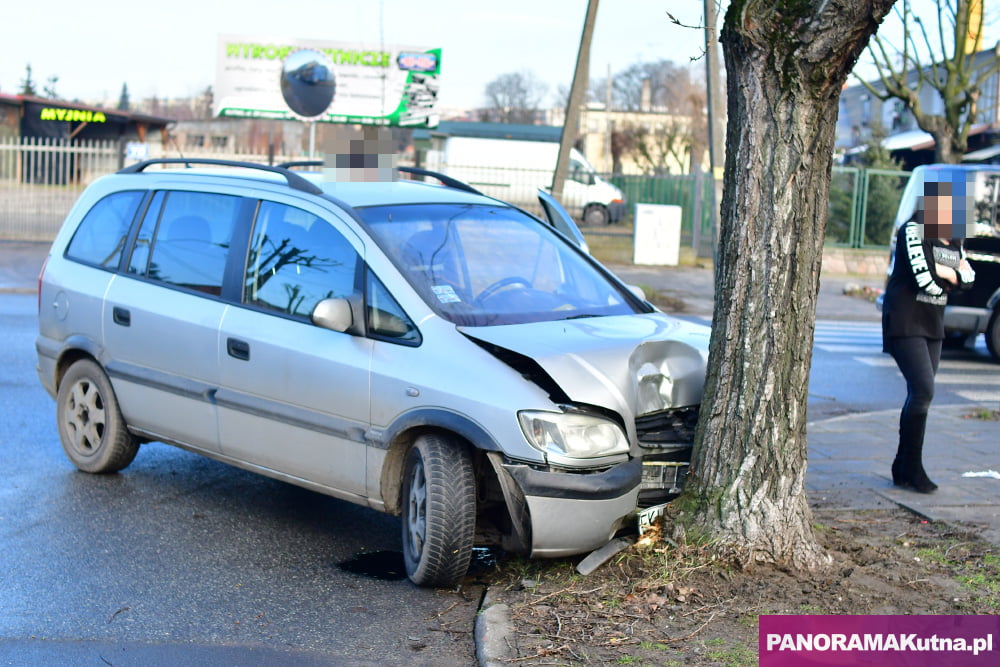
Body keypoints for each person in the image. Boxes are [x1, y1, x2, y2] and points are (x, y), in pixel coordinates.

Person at [881, 179, 975, 493]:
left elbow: (969, 278)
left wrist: (951, 274)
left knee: (919, 394)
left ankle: (902, 466)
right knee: (923, 390)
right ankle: (913, 467)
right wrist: (950, 274)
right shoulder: (913, 230)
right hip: (905, 320)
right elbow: (926, 280)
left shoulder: (954, 240)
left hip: (933, 324)